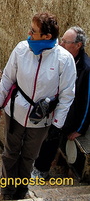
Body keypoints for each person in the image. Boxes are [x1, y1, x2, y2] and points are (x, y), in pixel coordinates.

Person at [0, 13, 76, 201]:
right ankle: (7, 192)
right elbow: (7, 78)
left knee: (29, 156)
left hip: (41, 119)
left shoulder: (64, 60)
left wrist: (57, 125)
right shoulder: (21, 49)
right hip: (16, 113)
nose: (29, 33)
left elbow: (67, 95)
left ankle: (21, 191)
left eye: (34, 31)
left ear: (47, 36)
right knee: (10, 154)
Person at [33, 25, 90, 179]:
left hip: (69, 115)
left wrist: (80, 128)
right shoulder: (61, 56)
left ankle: (41, 170)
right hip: (53, 105)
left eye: (65, 41)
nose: (60, 44)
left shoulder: (85, 68)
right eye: (61, 40)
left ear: (78, 45)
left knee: (52, 136)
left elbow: (88, 101)